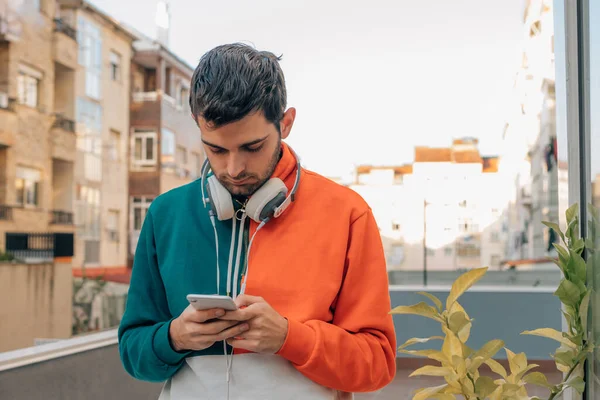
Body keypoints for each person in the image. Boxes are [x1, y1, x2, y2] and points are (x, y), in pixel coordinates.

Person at [118, 43, 397, 400]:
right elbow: (133, 354)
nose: (233, 169)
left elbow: (377, 363)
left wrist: (288, 338)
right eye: (216, 149)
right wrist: (174, 337)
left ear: (286, 122)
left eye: (252, 147)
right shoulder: (164, 214)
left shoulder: (348, 215)